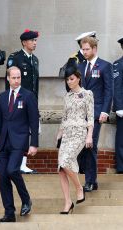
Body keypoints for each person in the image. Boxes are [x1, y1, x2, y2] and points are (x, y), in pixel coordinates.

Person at [0, 66, 39, 222]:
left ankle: (26, 199)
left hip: (19, 141)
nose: (17, 80)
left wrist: (34, 144)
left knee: (12, 170)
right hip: (3, 143)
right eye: (14, 78)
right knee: (3, 177)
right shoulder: (3, 97)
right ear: (8, 78)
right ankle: (9, 213)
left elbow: (34, 121)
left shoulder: (28, 96)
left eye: (19, 77)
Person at [57, 66, 94, 214]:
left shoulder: (87, 94)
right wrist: (59, 133)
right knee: (61, 169)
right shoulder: (67, 96)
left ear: (78, 78)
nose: (69, 82)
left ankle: (79, 188)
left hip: (79, 133)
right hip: (66, 135)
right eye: (67, 79)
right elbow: (64, 117)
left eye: (71, 79)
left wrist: (89, 135)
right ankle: (67, 202)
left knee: (65, 162)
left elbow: (90, 117)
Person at [79, 36, 113, 192]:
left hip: (97, 112)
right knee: (84, 146)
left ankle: (90, 181)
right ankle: (92, 180)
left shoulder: (105, 66)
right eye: (83, 49)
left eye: (87, 49)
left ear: (94, 49)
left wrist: (105, 111)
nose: (84, 52)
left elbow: (109, 91)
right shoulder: (80, 67)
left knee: (90, 145)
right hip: (82, 113)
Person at [5, 29, 39, 174]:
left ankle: (23, 164)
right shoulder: (16, 58)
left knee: (28, 132)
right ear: (24, 42)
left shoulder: (35, 60)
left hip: (31, 101)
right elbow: (9, 83)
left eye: (35, 40)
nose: (35, 43)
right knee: (17, 132)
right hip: (18, 101)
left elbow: (35, 83)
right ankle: (17, 163)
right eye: (32, 40)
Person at [113, 37, 123, 173]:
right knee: (122, 139)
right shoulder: (118, 64)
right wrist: (119, 106)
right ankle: (121, 167)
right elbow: (117, 87)